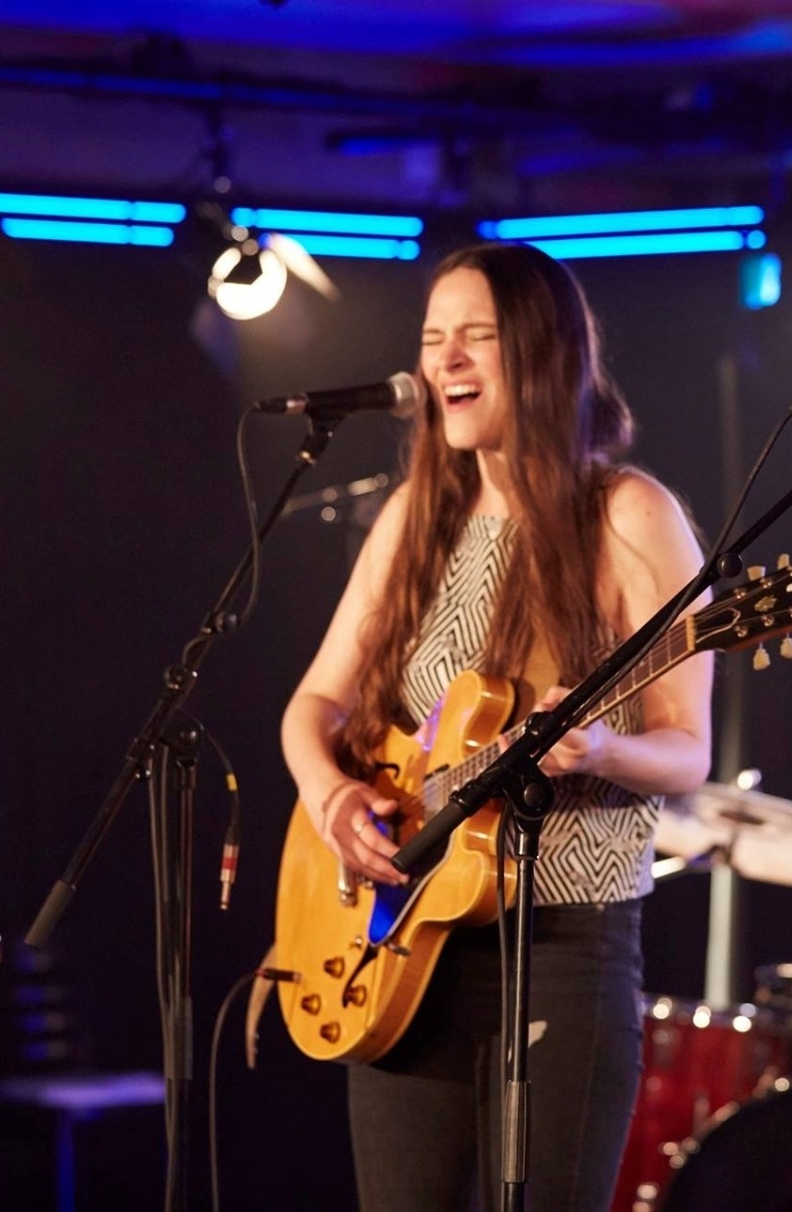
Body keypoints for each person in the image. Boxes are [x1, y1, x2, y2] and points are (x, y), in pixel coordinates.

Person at [280, 241, 714, 1211]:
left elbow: (689, 751)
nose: (446, 361)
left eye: (476, 336)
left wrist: (599, 748)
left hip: (564, 942)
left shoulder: (629, 513)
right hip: (405, 939)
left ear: (544, 353)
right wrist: (332, 796)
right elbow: (313, 706)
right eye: (434, 338)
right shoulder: (416, 517)